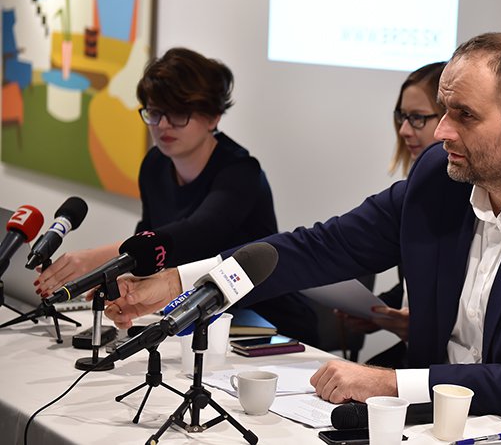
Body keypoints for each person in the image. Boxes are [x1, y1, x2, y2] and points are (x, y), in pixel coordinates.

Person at [106, 32, 501, 439]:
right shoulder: (440, 177)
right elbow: (322, 246)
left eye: (464, 115)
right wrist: (181, 281)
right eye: (443, 110)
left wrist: (388, 382)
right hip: (418, 422)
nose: (441, 132)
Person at [34, 47, 317, 342]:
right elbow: (148, 241)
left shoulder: (241, 172)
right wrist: (121, 283)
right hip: (194, 314)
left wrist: (95, 260)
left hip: (265, 323)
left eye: (179, 113)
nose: (163, 125)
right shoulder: (155, 165)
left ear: (213, 117)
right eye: (155, 113)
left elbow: (198, 233)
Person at [338, 61, 447, 362]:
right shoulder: (416, 193)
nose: (403, 130)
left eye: (417, 118)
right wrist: (378, 311)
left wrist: (418, 325)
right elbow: (416, 283)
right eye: (402, 116)